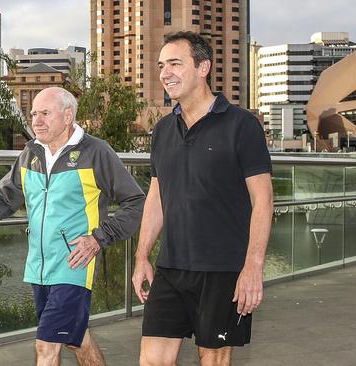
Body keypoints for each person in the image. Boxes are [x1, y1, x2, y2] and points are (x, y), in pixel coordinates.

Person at [0, 86, 145, 366]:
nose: (36, 120)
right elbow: (2, 198)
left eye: (45, 113)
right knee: (77, 339)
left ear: (68, 115)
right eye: (34, 113)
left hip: (74, 267)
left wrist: (99, 238)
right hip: (39, 268)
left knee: (46, 345)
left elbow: (136, 201)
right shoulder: (31, 154)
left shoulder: (95, 152)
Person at [132, 31, 274, 366]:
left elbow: (263, 201)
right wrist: (141, 257)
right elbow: (157, 196)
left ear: (203, 67)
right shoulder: (163, 130)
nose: (166, 72)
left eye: (176, 63)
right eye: (162, 65)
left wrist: (253, 266)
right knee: (151, 360)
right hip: (171, 266)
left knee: (212, 360)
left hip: (222, 268)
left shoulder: (242, 125)